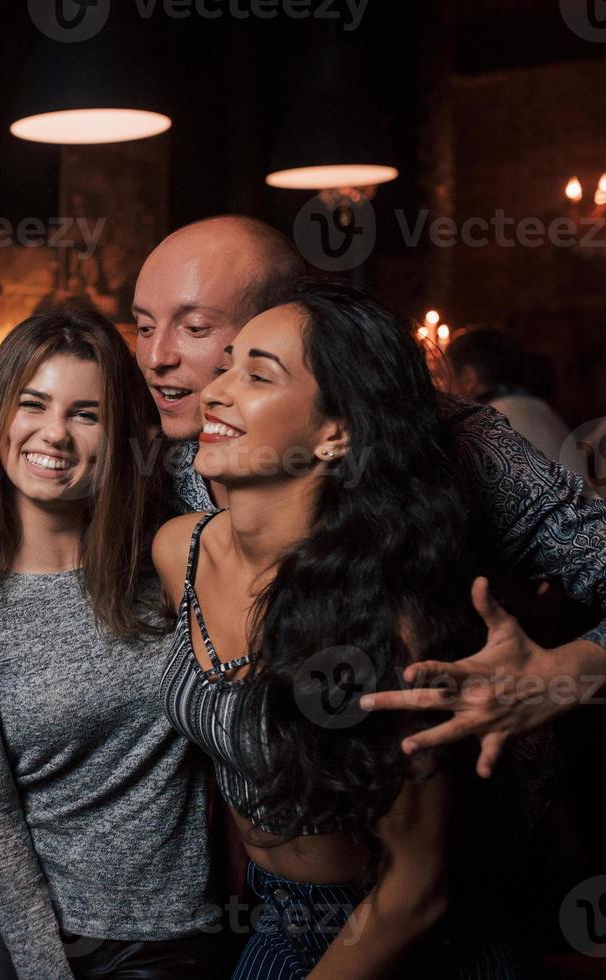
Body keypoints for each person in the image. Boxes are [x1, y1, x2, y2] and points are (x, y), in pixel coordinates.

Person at [132, 215, 606, 772]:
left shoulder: (456, 443)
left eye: (194, 328)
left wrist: (566, 673)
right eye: (142, 327)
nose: (156, 356)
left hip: (469, 811)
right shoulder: (171, 453)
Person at [153, 279, 521, 977]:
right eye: (224, 364)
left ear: (336, 432)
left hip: (402, 934)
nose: (216, 391)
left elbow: (418, 887)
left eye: (256, 375)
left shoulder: (386, 619)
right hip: (273, 912)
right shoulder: (180, 551)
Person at [0, 309, 221, 980]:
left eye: (85, 413)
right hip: (11, 940)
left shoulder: (168, 567)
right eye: (33, 404)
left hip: (170, 933)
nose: (54, 433)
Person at [443, 325, 589, 481]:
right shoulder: (542, 412)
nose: (442, 388)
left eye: (444, 377)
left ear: (468, 378)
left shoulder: (491, 427)